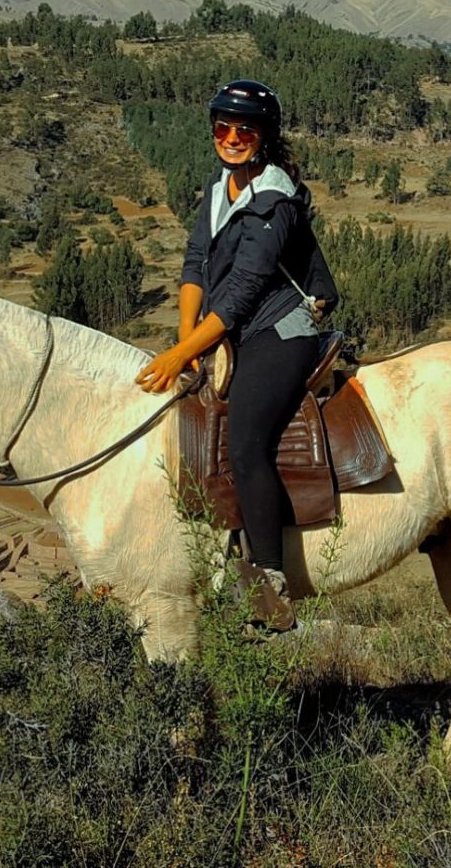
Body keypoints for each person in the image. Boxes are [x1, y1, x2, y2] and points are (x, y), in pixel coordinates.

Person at [135, 80, 338, 628]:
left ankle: (270, 582)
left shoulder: (275, 200)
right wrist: (186, 337)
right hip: (228, 326)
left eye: (244, 129)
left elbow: (247, 287)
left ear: (265, 136)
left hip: (281, 328)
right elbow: (196, 262)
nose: (231, 137)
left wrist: (181, 356)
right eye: (221, 127)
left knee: (246, 443)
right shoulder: (220, 186)